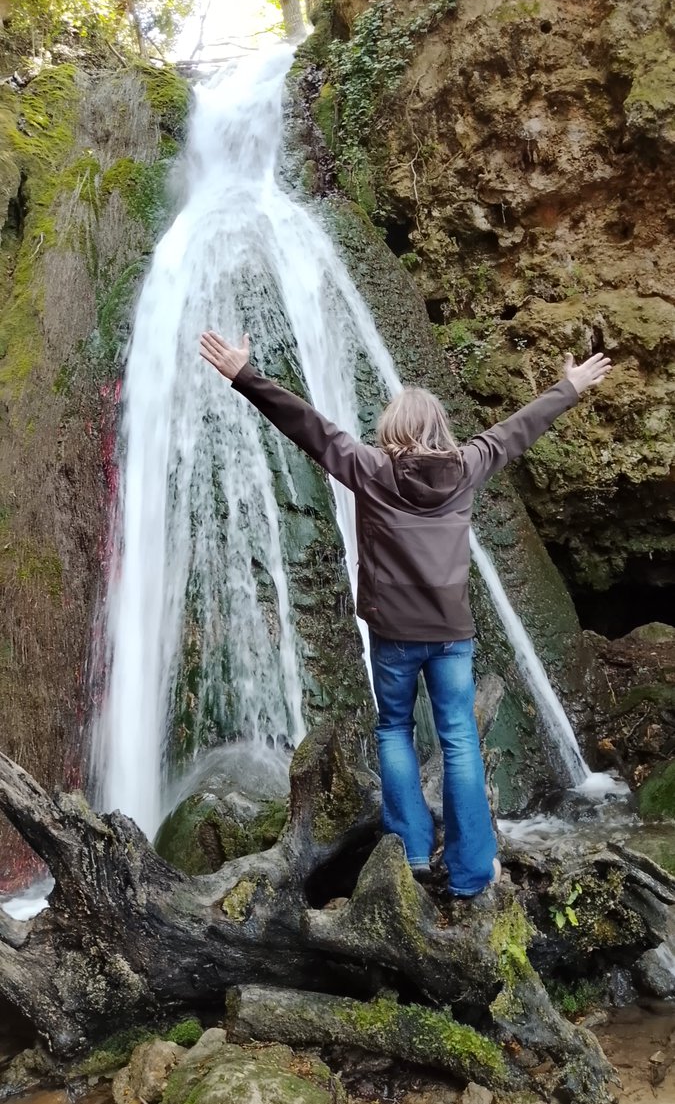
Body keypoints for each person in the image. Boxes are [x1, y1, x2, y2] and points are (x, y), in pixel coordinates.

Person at [200, 331, 611, 897]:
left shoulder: (372, 468)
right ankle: (472, 871)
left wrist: (246, 375)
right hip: (450, 635)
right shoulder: (469, 464)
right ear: (440, 430)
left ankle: (412, 851)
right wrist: (569, 386)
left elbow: (309, 427)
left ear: (393, 431)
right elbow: (521, 428)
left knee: (394, 729)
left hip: (393, 634)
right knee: (459, 739)